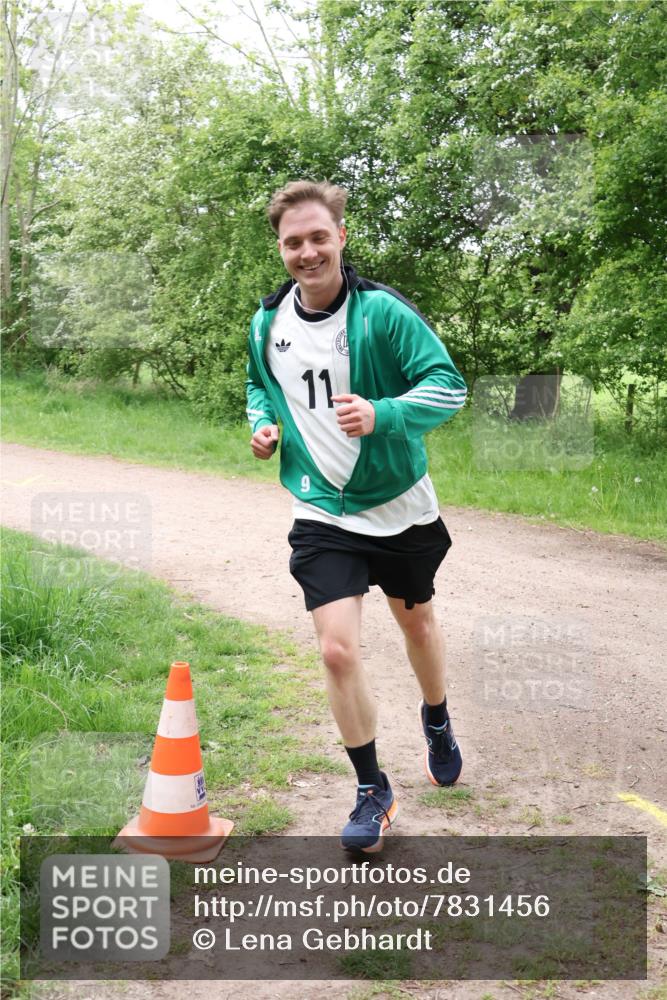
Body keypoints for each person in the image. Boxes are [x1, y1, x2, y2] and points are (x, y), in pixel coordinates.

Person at [246, 180, 467, 852]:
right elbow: (261, 384)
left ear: (340, 236)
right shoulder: (267, 323)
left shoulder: (384, 313)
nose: (306, 252)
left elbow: (447, 386)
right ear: (280, 249)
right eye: (293, 242)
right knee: (336, 650)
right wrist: (263, 425)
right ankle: (372, 788)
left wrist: (384, 413)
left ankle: (435, 718)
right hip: (319, 509)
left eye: (318, 237)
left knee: (417, 623)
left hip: (397, 505)